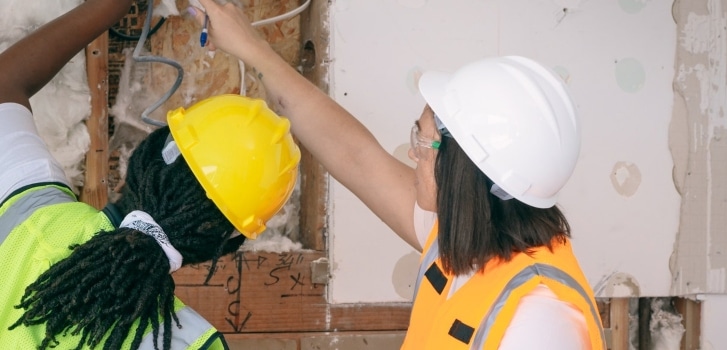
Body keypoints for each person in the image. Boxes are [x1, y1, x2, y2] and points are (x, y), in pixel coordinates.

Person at [190, 1, 607, 349]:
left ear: (464, 168)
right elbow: (355, 156)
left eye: (422, 141)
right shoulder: (463, 240)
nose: (413, 152)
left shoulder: (539, 320)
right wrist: (250, 47)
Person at [0, 0, 301, 349]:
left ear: (145, 156)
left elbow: (5, 84)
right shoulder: (192, 343)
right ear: (226, 241)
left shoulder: (33, 216)